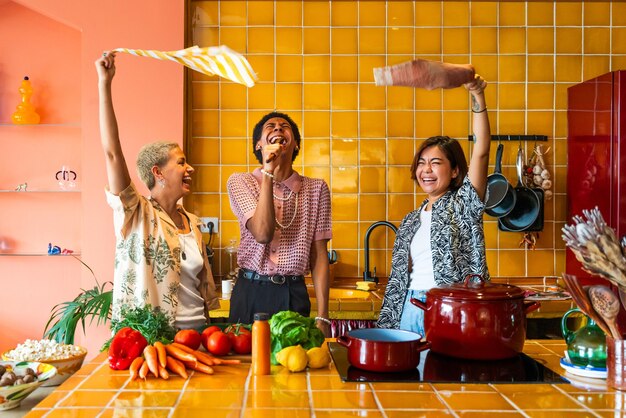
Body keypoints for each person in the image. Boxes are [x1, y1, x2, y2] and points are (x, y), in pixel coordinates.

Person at [96, 51, 219, 329]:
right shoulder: (136, 213)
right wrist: (105, 83)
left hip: (198, 336)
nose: (190, 169)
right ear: (158, 172)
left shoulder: (192, 222)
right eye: (181, 162)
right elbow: (112, 153)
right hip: (157, 342)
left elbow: (197, 291)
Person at [377, 75, 491, 335]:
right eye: (421, 163)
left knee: (446, 373)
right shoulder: (410, 220)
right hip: (410, 307)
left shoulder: (464, 204)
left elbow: (482, 149)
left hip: (452, 307)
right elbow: (400, 277)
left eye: (436, 163)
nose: (426, 170)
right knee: (412, 374)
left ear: (454, 171)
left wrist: (478, 97)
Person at [227, 112, 332, 336]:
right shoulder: (240, 181)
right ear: (259, 145)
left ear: (294, 145)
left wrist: (323, 316)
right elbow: (263, 233)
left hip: (293, 292)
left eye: (284, 127)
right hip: (249, 291)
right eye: (270, 127)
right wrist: (268, 173)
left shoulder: (317, 189)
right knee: (244, 367)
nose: (277, 129)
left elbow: (319, 255)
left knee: (293, 364)